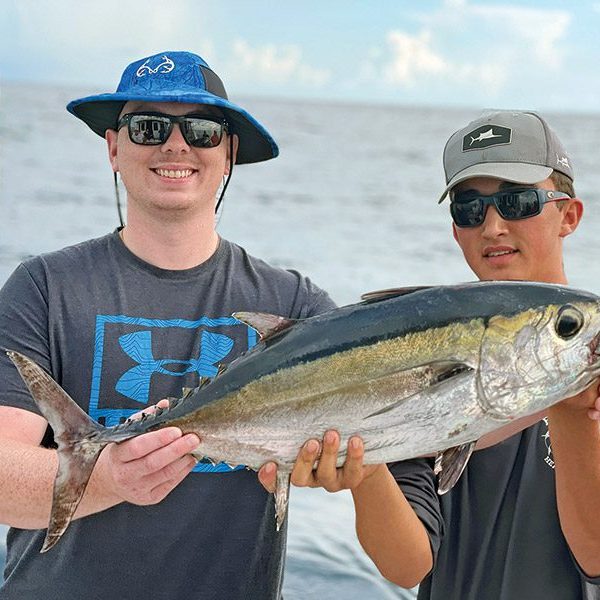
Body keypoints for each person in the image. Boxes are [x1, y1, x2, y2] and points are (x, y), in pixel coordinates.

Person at [0, 51, 336, 599]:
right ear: (114, 147)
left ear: (228, 154)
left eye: (202, 130)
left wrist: (341, 470)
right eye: (149, 126)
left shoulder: (294, 305)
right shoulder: (42, 288)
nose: (175, 145)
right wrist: (107, 478)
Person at [268, 110, 600, 599]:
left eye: (518, 201)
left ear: (568, 215)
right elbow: (407, 564)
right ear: (454, 229)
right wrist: (364, 454)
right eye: (470, 208)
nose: (493, 226)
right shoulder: (423, 347)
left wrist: (576, 414)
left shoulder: (589, 353)